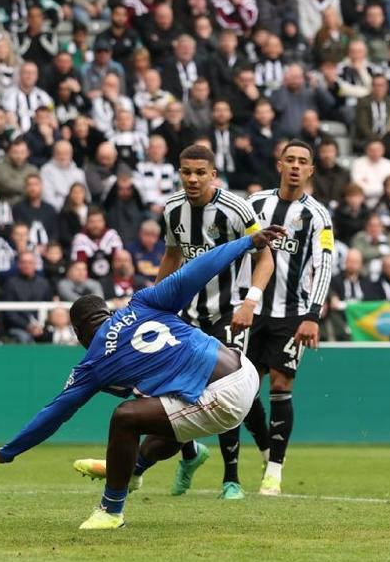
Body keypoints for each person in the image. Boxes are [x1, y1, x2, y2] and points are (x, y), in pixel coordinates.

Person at [0, 223, 287, 530]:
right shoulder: (143, 301)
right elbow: (197, 269)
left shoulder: (94, 362)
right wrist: (247, 242)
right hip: (243, 367)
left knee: (125, 417)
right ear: (106, 312)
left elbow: (55, 413)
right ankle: (147, 466)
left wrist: (10, 450)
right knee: (159, 404)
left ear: (78, 333)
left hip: (223, 397)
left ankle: (111, 509)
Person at [117, 144, 273, 498]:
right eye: (186, 172)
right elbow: (172, 256)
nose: (192, 179)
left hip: (230, 311)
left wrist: (250, 302)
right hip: (187, 316)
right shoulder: (172, 208)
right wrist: (154, 305)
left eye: (200, 173)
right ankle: (190, 455)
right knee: (174, 391)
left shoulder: (237, 209)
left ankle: (231, 479)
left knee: (226, 388)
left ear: (213, 175)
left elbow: (265, 258)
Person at [219, 140, 336, 497]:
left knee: (281, 386)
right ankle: (248, 461)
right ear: (279, 165)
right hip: (249, 310)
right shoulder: (255, 204)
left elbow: (324, 265)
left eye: (303, 161)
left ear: (311, 170)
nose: (296, 166)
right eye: (290, 160)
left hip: (292, 314)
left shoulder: (318, 216)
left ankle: (274, 472)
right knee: (236, 389)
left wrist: (313, 315)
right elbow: (230, 249)